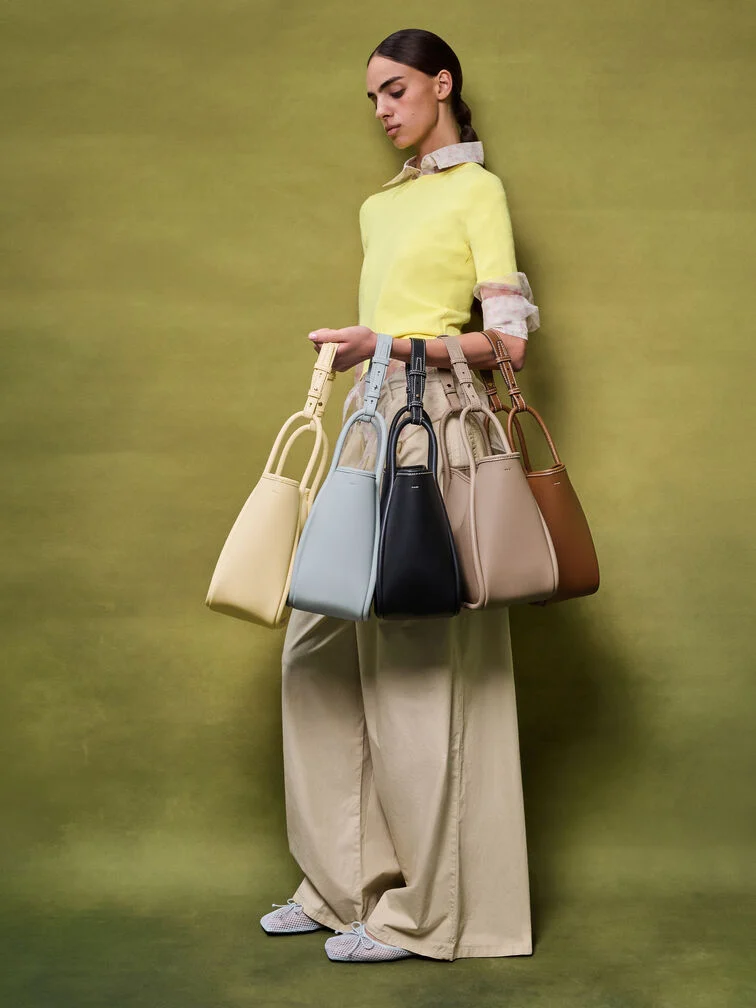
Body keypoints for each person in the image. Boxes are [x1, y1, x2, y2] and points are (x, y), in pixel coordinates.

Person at [260, 28, 542, 963]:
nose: (382, 110)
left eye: (395, 89)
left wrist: (384, 345)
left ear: (441, 83)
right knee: (317, 643)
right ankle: (344, 884)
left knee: (417, 668)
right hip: (367, 420)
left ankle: (424, 915)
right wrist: (367, 356)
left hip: (435, 423)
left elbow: (507, 344)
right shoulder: (380, 207)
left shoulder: (478, 190)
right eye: (373, 97)